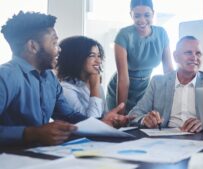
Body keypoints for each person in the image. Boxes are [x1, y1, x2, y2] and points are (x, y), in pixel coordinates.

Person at [0, 11, 131, 146]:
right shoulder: (5, 76)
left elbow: (70, 117)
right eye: (54, 43)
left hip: (38, 155)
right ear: (33, 46)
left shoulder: (49, 78)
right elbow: (36, 133)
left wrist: (101, 122)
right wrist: (31, 133)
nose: (59, 49)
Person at [128, 36, 203, 133]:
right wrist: (144, 119)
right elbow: (134, 114)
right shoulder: (157, 82)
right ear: (176, 56)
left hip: (199, 136)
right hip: (165, 137)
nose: (194, 57)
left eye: (198, 53)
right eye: (188, 52)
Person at [106, 0, 174, 115]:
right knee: (120, 126)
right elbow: (123, 78)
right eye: (137, 16)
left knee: (140, 125)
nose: (142, 20)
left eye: (147, 15)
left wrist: (173, 103)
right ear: (131, 15)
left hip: (144, 89)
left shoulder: (161, 34)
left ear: (153, 13)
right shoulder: (124, 35)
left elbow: (169, 72)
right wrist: (120, 114)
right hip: (121, 88)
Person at [56, 36, 107, 118]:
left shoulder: (95, 83)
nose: (98, 61)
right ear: (76, 58)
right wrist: (94, 89)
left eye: (99, 56)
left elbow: (104, 116)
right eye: (92, 55)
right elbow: (91, 123)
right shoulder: (66, 90)